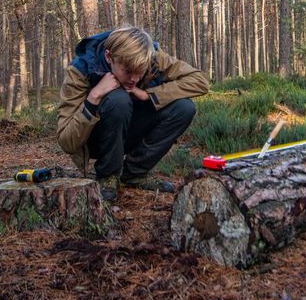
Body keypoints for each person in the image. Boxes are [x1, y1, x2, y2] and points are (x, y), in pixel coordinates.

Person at [57, 26, 209, 201]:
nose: (134, 79)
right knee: (118, 100)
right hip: (96, 139)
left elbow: (200, 81)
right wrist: (94, 96)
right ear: (109, 57)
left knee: (184, 108)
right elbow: (67, 142)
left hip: (130, 129)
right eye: (128, 71)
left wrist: (150, 94)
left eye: (140, 71)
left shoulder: (151, 57)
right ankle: (108, 176)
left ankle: (134, 173)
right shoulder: (81, 70)